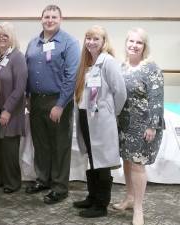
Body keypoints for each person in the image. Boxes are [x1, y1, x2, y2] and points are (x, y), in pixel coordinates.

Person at [25, 4, 80, 204]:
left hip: (58, 101)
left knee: (59, 146)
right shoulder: (33, 43)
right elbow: (26, 71)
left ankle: (59, 187)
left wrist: (60, 104)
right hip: (36, 101)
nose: (49, 20)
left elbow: (71, 76)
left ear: (60, 19)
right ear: (41, 19)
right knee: (40, 144)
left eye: (54, 17)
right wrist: (27, 96)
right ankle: (43, 180)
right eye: (46, 16)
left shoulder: (69, 43)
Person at [72, 25, 126, 218]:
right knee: (92, 159)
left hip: (101, 120)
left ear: (104, 42)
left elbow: (120, 92)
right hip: (86, 118)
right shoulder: (86, 62)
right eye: (88, 38)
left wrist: (111, 113)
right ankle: (92, 197)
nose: (91, 42)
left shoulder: (108, 62)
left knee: (101, 162)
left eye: (96, 39)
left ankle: (101, 205)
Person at [115, 28, 165, 225]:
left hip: (144, 125)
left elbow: (157, 99)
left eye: (139, 42)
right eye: (131, 41)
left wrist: (152, 126)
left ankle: (139, 208)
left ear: (144, 46)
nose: (134, 46)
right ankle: (129, 197)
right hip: (124, 123)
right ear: (126, 43)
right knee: (127, 161)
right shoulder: (122, 67)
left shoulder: (151, 68)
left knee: (137, 164)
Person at [0, 22, 27, 194]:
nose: (1, 38)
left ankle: (12, 182)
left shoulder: (17, 57)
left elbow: (20, 87)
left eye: (5, 35)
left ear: (12, 38)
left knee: (9, 149)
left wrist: (8, 110)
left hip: (10, 110)